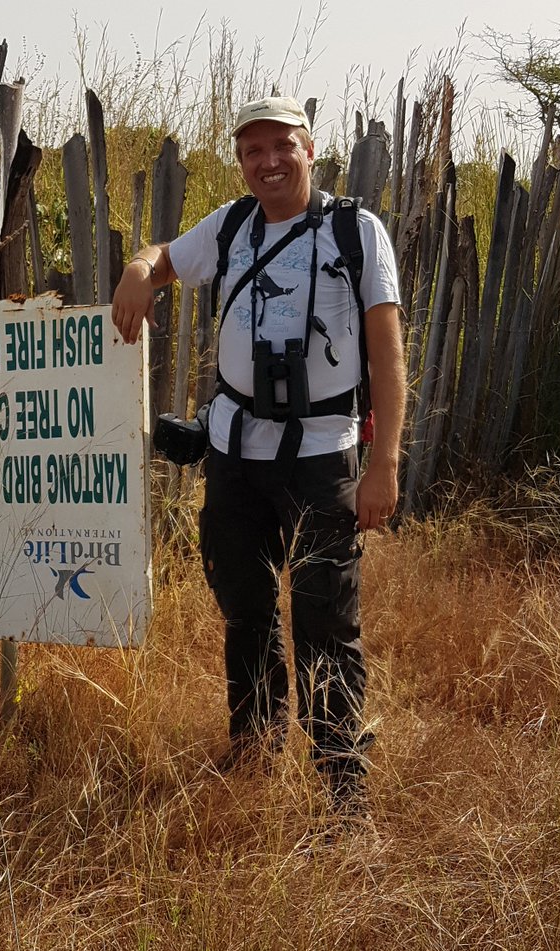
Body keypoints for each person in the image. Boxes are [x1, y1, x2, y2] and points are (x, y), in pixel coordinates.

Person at [112, 96, 406, 817]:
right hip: (237, 454)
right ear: (240, 160)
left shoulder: (354, 231)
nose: (268, 162)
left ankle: (343, 792)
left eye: (282, 147)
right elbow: (163, 259)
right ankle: (255, 751)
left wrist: (385, 464)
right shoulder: (234, 224)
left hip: (322, 454)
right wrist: (136, 267)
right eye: (253, 151)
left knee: (325, 622)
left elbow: (387, 353)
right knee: (245, 610)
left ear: (309, 147)